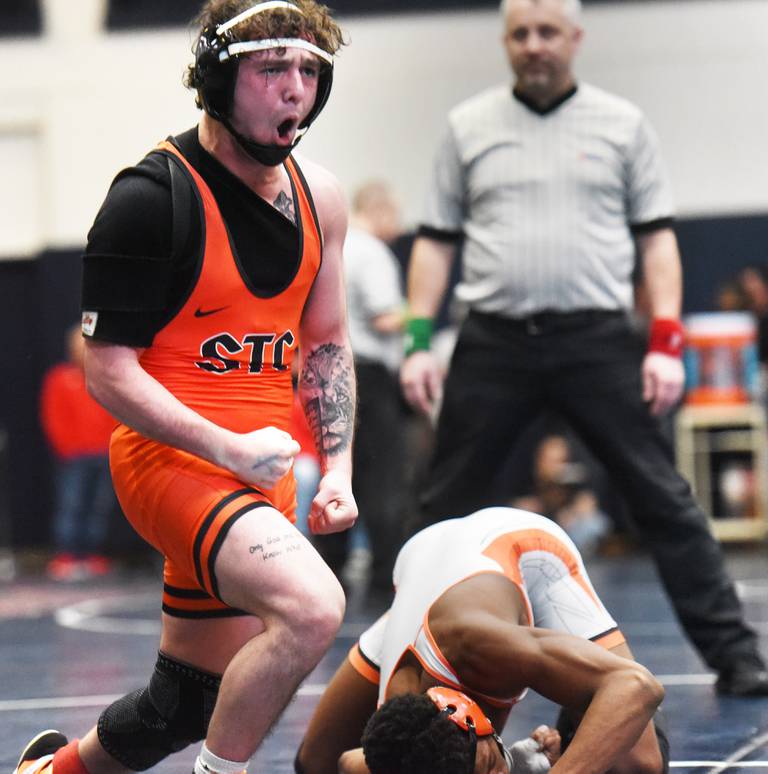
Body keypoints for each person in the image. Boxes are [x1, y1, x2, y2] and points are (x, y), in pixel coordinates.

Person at [16, 2, 358, 773]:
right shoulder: (149, 200)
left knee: (190, 702)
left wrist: (335, 467)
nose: (295, 90)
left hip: (255, 472)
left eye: (308, 71)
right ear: (216, 79)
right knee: (313, 609)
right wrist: (225, 446)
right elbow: (107, 371)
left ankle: (54, 772)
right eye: (272, 69)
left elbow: (328, 342)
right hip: (171, 461)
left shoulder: (322, 199)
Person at [399, 0, 768, 697]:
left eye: (547, 33)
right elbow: (436, 243)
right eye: (520, 34)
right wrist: (419, 340)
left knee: (663, 498)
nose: (534, 46)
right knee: (443, 507)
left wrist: (665, 342)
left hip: (595, 339)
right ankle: (402, 648)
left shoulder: (623, 125)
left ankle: (737, 655)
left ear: (576, 38)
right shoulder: (467, 126)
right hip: (494, 339)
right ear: (505, 40)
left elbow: (657, 240)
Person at [295, 507, 669, 774]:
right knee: (315, 764)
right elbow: (345, 763)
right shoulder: (398, 748)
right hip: (421, 565)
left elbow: (638, 687)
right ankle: (570, 707)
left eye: (490, 766)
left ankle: (581, 692)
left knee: (636, 765)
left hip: (521, 546)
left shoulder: (480, 648)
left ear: (472, 716)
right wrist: (521, 763)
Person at [313, 180, 407, 593]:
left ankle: (328, 566)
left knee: (337, 469)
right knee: (383, 475)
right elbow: (386, 317)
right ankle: (387, 572)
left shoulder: (336, 246)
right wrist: (421, 313)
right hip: (368, 373)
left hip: (331, 368)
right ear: (381, 210)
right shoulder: (375, 253)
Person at [39, 323, 117, 581]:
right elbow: (54, 418)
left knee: (98, 506)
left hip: (104, 454)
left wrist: (110, 445)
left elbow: (114, 416)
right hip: (74, 457)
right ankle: (67, 556)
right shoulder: (60, 378)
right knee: (72, 505)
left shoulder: (105, 379)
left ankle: (91, 555)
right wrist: (68, 448)